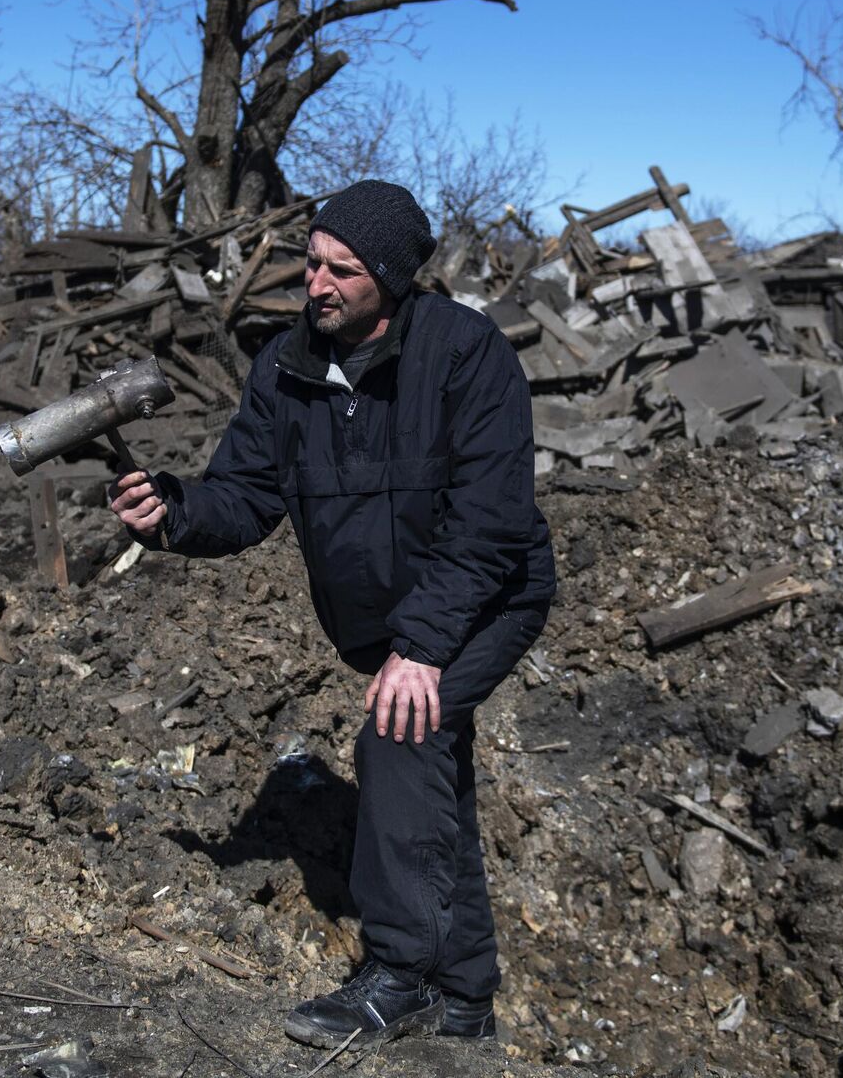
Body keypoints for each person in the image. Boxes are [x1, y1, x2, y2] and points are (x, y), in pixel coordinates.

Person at [108, 179, 555, 1047]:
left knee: (401, 731)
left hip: (487, 596)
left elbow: (489, 522)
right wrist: (173, 512)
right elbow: (243, 496)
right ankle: (463, 993)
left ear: (388, 278)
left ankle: (405, 975)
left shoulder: (464, 354)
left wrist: (422, 645)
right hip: (391, 618)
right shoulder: (286, 366)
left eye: (341, 270)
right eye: (311, 263)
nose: (316, 284)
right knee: (431, 767)